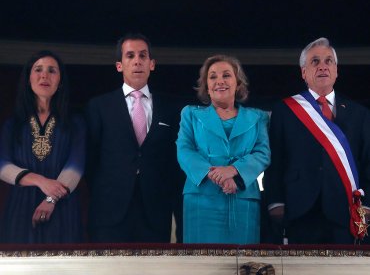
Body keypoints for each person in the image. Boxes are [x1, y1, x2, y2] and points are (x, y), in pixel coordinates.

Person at [264, 37, 370, 244]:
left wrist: (367, 204)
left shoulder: (360, 114)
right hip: (299, 206)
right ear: (304, 72)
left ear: (336, 70)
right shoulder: (285, 110)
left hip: (346, 209)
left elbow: (367, 162)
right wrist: (275, 201)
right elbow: (275, 160)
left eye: (328, 61)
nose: (323, 66)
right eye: (315, 61)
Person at [86, 33, 183, 243]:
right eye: (130, 56)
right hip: (110, 211)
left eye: (143, 55)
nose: (137, 61)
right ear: (119, 65)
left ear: (152, 64)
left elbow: (174, 161)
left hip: (155, 210)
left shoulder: (171, 108)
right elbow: (90, 160)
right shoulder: (99, 106)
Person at [176, 55, 271, 244]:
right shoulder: (190, 114)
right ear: (206, 86)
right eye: (212, 77)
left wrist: (234, 171)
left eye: (226, 75)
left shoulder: (258, 117)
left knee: (242, 268)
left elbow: (263, 153)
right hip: (201, 200)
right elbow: (184, 150)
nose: (219, 81)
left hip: (243, 199)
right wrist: (215, 174)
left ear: (238, 83)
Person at [0, 50, 85, 243]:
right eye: (38, 69)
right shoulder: (13, 124)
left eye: (52, 71)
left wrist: (50, 200)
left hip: (63, 208)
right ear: (28, 78)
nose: (44, 75)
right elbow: (2, 165)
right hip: (21, 207)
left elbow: (76, 166)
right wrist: (40, 181)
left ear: (60, 81)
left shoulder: (75, 123)